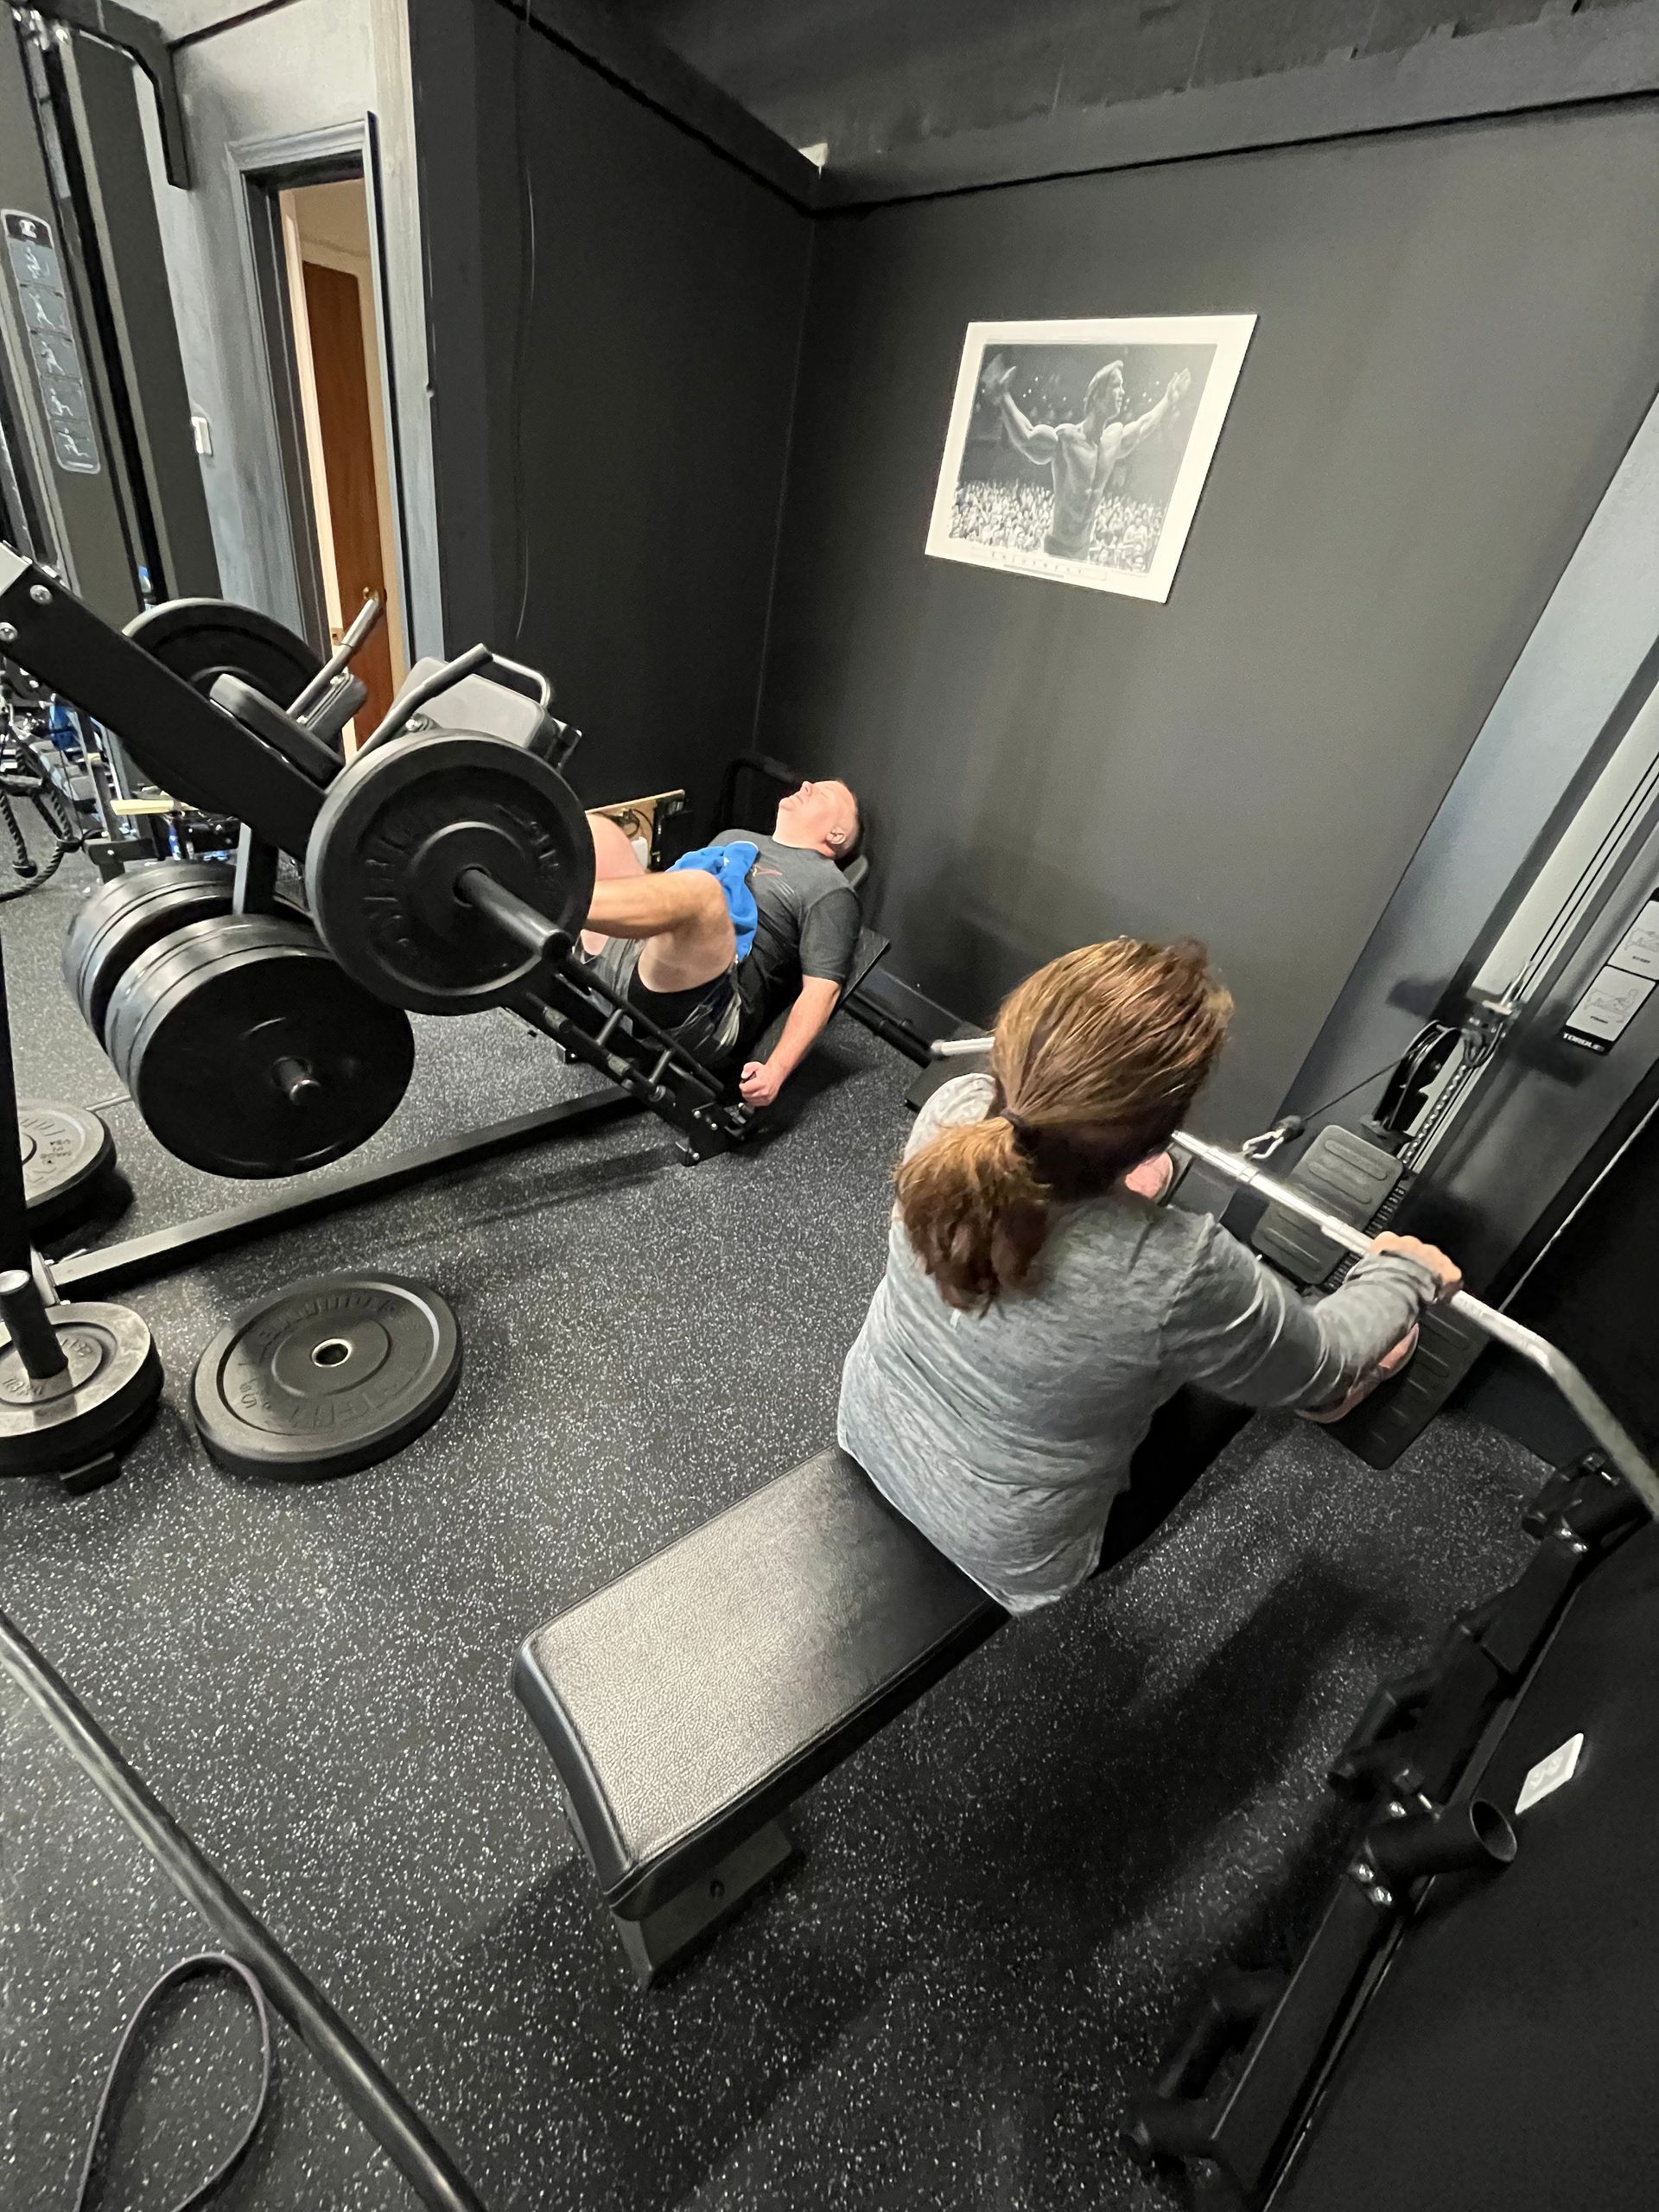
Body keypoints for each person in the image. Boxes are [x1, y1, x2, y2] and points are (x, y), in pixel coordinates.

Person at [837, 938, 1464, 1614]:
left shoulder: (952, 1113)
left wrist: (1113, 1196)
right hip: (1013, 1550)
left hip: (868, 1419)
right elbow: (1328, 1356)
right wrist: (1404, 1274)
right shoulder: (1182, 1268)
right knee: (1266, 1376)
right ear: (1156, 1134)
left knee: (1158, 1331)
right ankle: (1329, 1402)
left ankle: (1120, 1210)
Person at [581, 778, 862, 1108]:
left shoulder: (829, 888)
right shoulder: (735, 838)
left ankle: (561, 906)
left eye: (823, 793)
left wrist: (776, 1071)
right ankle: (556, 906)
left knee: (704, 892)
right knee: (600, 833)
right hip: (633, 952)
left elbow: (821, 992)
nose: (806, 785)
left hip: (705, 1008)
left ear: (836, 835)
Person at [984, 354, 1191, 563]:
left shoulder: (1113, 440)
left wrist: (1167, 400)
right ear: (1098, 395)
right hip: (1055, 551)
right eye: (1116, 386)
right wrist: (1004, 398)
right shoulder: (1068, 438)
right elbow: (1027, 438)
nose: (1122, 393)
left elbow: (1143, 426)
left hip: (1082, 553)